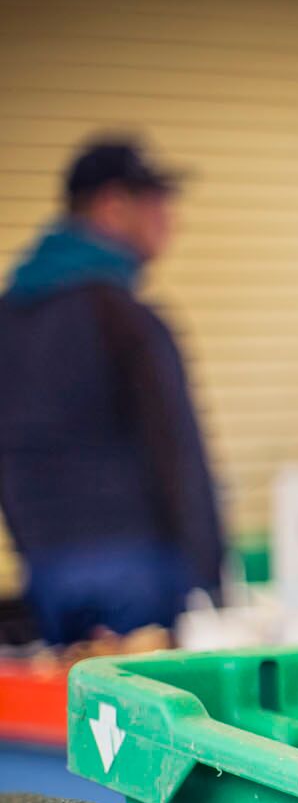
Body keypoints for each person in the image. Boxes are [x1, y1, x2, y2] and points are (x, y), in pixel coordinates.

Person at [0, 137, 224, 645]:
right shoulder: (124, 318)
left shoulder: (9, 316)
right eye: (156, 201)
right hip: (139, 571)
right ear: (113, 206)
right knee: (144, 716)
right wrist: (211, 575)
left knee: (78, 716)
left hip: (47, 567)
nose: (170, 219)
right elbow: (178, 450)